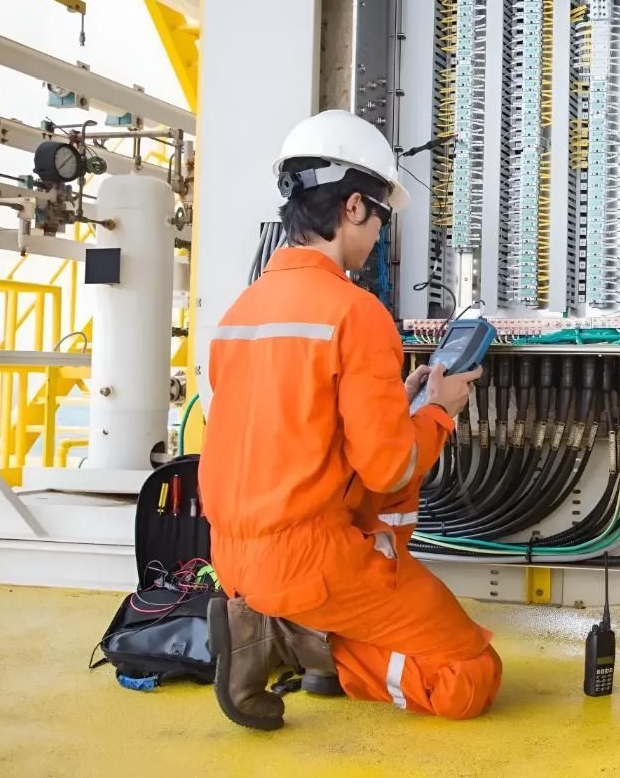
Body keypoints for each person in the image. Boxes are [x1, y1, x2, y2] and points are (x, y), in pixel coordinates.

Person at [200, 110, 500, 730]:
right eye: (383, 220)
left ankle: (260, 624)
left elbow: (290, 433)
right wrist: (440, 412)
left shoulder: (238, 314)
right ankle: (311, 643)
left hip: (231, 560)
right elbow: (389, 467)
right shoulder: (356, 313)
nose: (381, 238)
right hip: (312, 563)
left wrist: (400, 399)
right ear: (355, 207)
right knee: (468, 674)